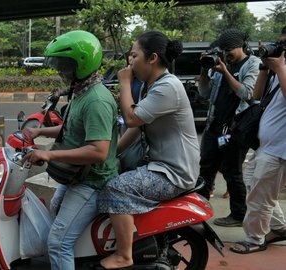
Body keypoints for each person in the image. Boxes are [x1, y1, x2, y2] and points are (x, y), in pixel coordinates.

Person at [97, 31, 200, 269]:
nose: (129, 61)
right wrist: (113, 153)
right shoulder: (151, 85)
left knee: (115, 189)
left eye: (133, 55)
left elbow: (132, 119)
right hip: (160, 165)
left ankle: (124, 255)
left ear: (152, 58)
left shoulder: (168, 87)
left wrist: (124, 82)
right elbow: (138, 125)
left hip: (173, 172)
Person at [22, 30, 119, 270]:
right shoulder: (81, 91)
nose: (60, 71)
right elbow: (71, 130)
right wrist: (40, 132)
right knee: (54, 208)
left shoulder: (96, 100)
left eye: (64, 65)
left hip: (92, 180)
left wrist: (48, 154)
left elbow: (98, 151)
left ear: (82, 64)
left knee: (57, 242)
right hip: (76, 173)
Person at [197, 29, 261, 227]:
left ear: (241, 45)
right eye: (224, 49)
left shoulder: (253, 64)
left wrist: (225, 71)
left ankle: (238, 215)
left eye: (230, 49)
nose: (227, 53)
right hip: (214, 126)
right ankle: (199, 210)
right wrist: (204, 72)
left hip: (236, 128)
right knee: (206, 168)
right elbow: (204, 94)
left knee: (232, 172)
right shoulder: (219, 64)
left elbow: (247, 93)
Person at [230, 36, 286, 255]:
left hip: (279, 150)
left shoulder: (282, 69)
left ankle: (254, 239)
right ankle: (280, 227)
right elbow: (255, 95)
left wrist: (279, 66)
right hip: (265, 146)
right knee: (253, 186)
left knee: (261, 196)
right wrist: (264, 66)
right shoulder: (277, 70)